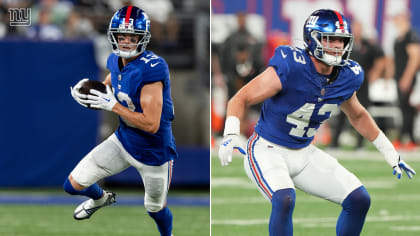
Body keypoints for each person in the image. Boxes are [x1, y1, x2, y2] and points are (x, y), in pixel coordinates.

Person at [218, 9, 415, 236]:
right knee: (284, 199)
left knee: (359, 199)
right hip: (267, 149)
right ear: (313, 39)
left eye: (341, 41)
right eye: (330, 40)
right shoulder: (292, 65)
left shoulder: (346, 74)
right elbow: (240, 98)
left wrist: (389, 151)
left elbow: (358, 115)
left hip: (303, 152)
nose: (336, 46)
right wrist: (231, 134)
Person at [66, 6, 177, 236]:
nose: (126, 42)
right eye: (121, 36)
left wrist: (113, 105)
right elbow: (112, 80)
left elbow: (151, 124)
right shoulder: (115, 60)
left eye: (132, 37)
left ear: (142, 38)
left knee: (155, 209)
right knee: (72, 185)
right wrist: (90, 92)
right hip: (124, 140)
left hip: (154, 152)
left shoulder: (151, 70)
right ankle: (101, 199)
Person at [330, 19, 386, 149]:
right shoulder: (344, 43)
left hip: (362, 84)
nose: (357, 31)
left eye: (359, 29)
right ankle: (334, 143)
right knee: (342, 113)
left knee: (362, 113)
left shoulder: (368, 45)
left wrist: (375, 73)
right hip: (345, 84)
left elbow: (381, 59)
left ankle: (360, 144)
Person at [391, 11, 420, 150]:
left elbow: (415, 58)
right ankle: (406, 138)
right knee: (403, 108)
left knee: (408, 109)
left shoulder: (410, 36)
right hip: (399, 77)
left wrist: (407, 77)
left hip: (407, 77)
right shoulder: (399, 38)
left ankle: (407, 138)